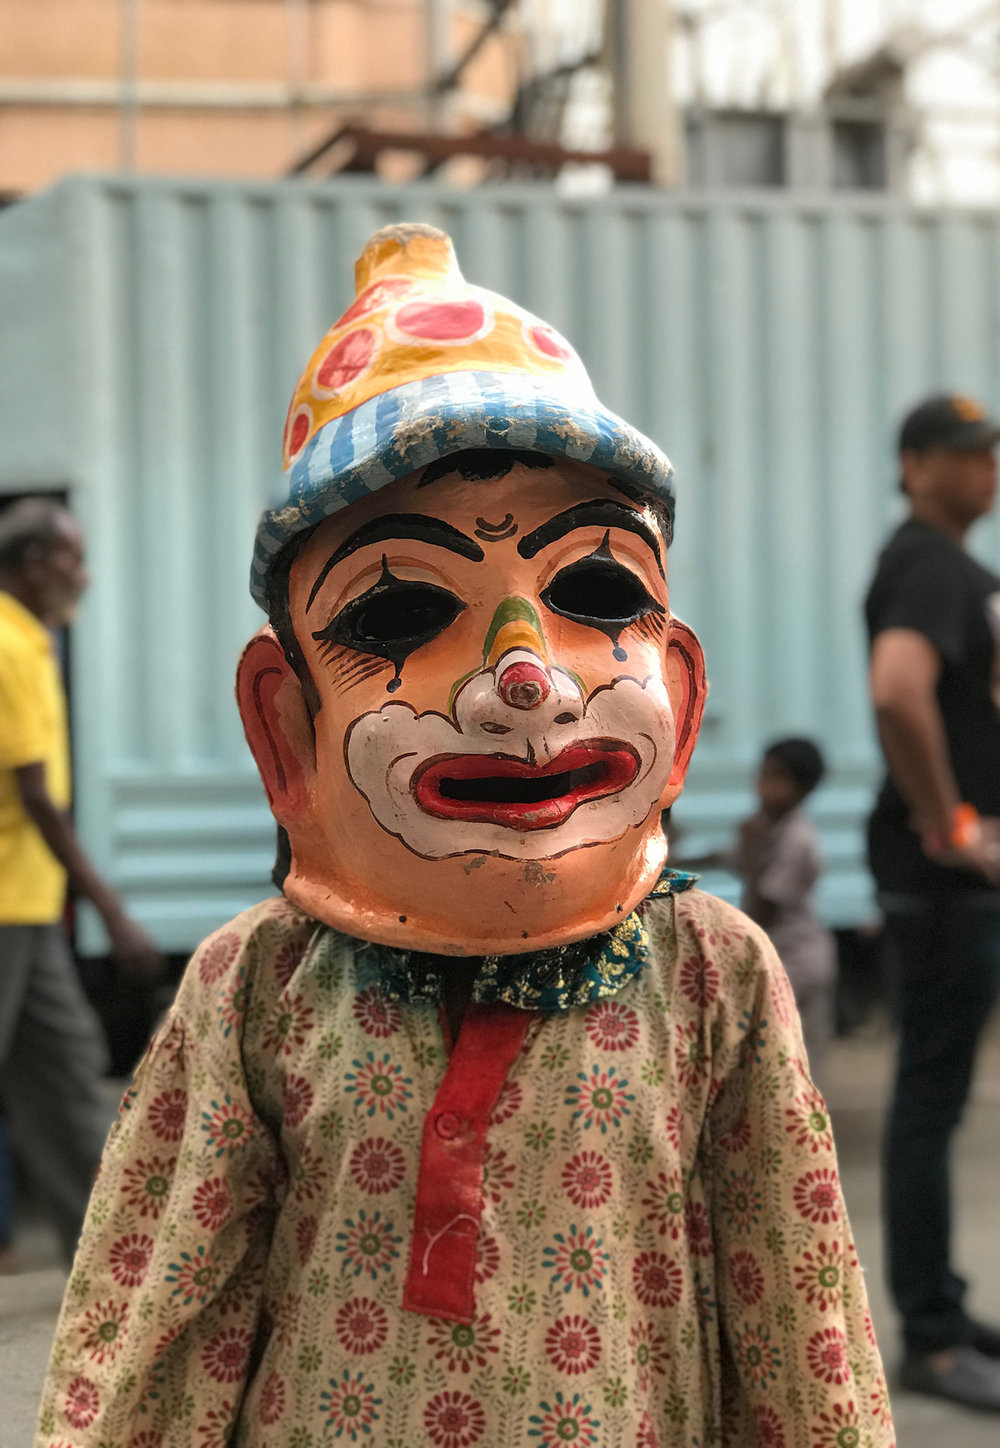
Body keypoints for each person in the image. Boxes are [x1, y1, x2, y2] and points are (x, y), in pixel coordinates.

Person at [36, 225, 893, 1447]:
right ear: (288, 721)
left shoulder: (713, 975)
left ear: (679, 683)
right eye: (399, 608)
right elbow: (163, 1310)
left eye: (595, 591)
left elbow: (797, 1319)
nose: (524, 674)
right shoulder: (257, 987)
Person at [866, 392, 1000, 1410]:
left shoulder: (953, 567)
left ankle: (944, 1302)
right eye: (964, 454)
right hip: (945, 887)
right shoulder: (925, 559)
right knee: (924, 1104)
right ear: (914, 464)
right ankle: (929, 1331)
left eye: (990, 454)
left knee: (940, 1098)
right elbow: (895, 689)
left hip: (955, 887)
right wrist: (951, 823)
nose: (984, 469)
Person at [0, 498, 160, 1265]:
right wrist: (111, 909)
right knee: (55, 1076)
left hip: (23, 905)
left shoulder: (27, 637)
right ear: (33, 565)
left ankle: (103, 1258)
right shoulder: (8, 642)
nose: (83, 573)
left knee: (63, 1075)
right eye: (71, 557)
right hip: (7, 906)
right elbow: (37, 797)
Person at [679, 737, 837, 1086]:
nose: (764, 784)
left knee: (792, 1064)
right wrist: (669, 858)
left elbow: (766, 908)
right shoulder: (768, 827)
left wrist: (750, 850)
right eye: (763, 773)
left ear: (803, 788)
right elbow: (725, 856)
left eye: (777, 776)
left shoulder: (797, 839)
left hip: (796, 964)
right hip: (779, 960)